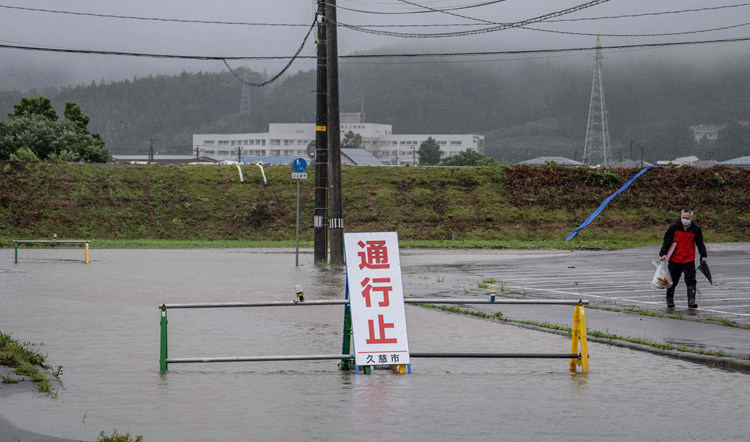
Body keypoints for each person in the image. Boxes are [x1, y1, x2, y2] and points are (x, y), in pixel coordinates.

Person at [659, 209, 707, 308]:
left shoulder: (695, 229)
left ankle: (691, 301)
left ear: (691, 218)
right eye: (683, 217)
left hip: (688, 259)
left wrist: (703, 255)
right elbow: (667, 241)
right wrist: (663, 253)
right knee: (672, 281)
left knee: (691, 280)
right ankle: (669, 299)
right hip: (675, 259)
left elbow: (700, 243)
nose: (685, 220)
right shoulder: (674, 227)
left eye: (687, 218)